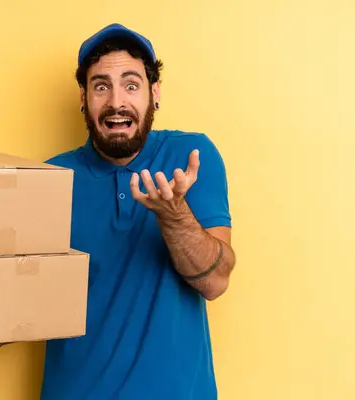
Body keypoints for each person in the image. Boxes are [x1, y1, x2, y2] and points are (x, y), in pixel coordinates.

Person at [39, 23, 237, 399]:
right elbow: (6, 313)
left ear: (154, 93)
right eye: (101, 86)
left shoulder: (190, 158)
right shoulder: (48, 179)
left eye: (131, 85)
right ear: (83, 98)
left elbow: (215, 283)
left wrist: (174, 214)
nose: (116, 102)